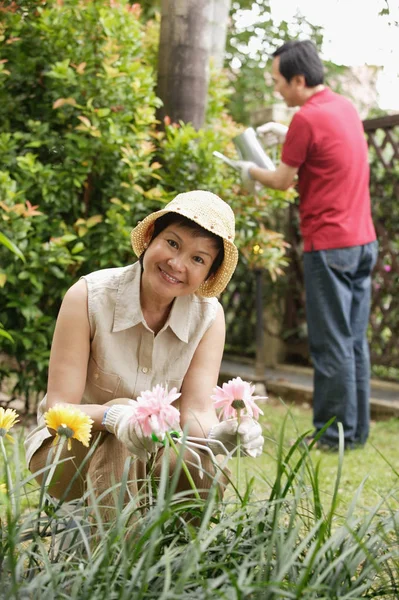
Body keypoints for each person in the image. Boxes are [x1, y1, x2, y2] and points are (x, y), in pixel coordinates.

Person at [25, 190, 264, 512]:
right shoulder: (89, 296)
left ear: (209, 273)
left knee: (195, 461)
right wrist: (113, 416)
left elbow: (194, 411)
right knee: (132, 414)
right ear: (151, 238)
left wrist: (222, 433)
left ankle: (188, 556)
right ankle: (113, 557)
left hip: (155, 459)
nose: (176, 264)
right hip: (67, 456)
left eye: (198, 259)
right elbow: (58, 409)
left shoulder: (208, 317)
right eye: (173, 243)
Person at [237, 40, 378, 450]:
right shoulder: (344, 107)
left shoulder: (306, 120)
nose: (277, 90)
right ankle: (355, 432)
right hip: (363, 242)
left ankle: (331, 437)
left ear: (299, 79)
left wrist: (248, 169)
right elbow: (325, 149)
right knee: (353, 341)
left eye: (279, 82)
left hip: (329, 247)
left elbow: (282, 179)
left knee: (330, 343)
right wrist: (286, 133)